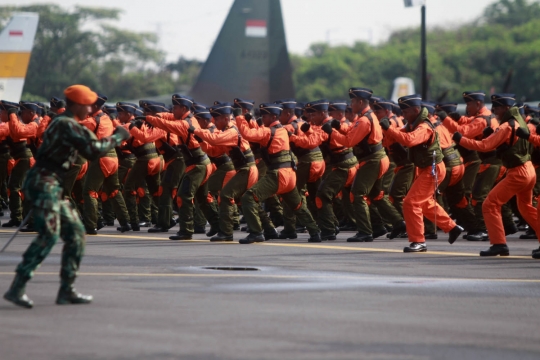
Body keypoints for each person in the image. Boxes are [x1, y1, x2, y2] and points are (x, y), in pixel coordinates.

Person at [3, 84, 130, 308]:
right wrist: (118, 136)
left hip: (51, 184)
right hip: (45, 183)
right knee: (49, 236)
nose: (91, 108)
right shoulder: (66, 125)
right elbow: (94, 150)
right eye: (88, 104)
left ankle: (67, 290)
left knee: (76, 235)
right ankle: (17, 287)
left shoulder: (66, 123)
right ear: (77, 105)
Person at [455, 94, 538, 257]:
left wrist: (461, 139)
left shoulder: (507, 126)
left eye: (497, 108)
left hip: (518, 172)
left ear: (506, 108)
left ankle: (499, 243)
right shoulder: (521, 121)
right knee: (526, 208)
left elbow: (485, 146)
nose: (494, 111)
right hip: (528, 170)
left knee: (490, 204)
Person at [382, 95, 463, 253]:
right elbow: (401, 133)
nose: (403, 115)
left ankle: (418, 241)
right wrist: (387, 131)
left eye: (406, 111)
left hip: (432, 169)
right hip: (428, 168)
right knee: (425, 203)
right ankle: (452, 228)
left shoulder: (423, 127)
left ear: (416, 110)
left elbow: (409, 140)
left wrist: (389, 129)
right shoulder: (414, 124)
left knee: (410, 203)